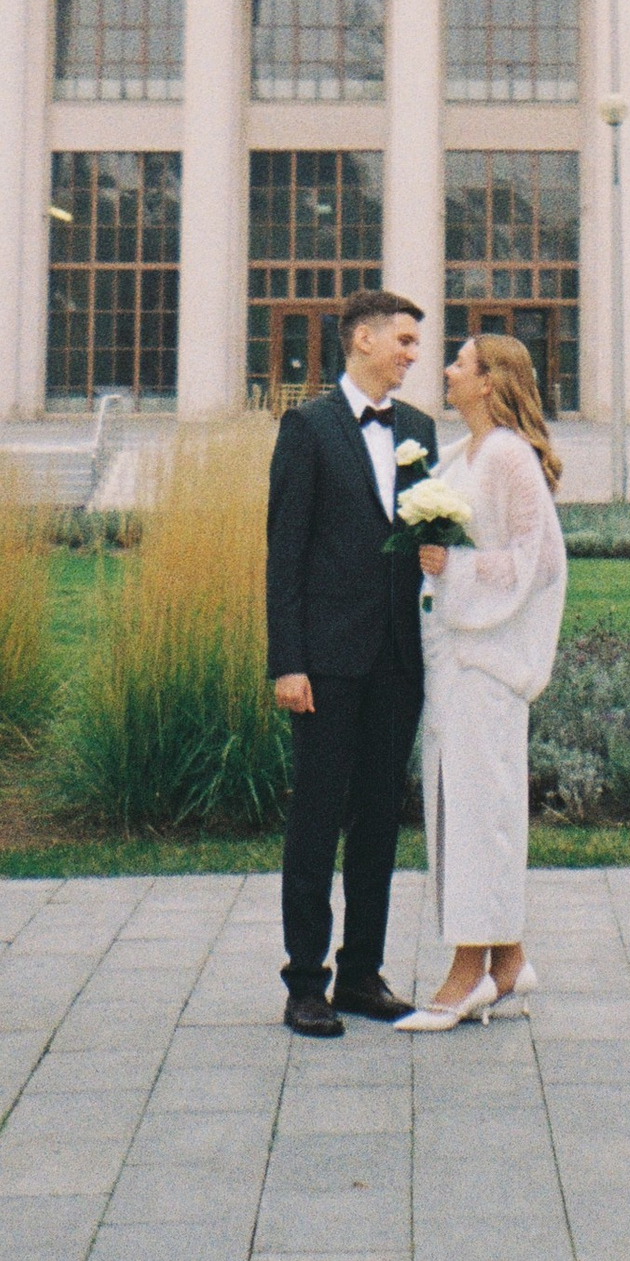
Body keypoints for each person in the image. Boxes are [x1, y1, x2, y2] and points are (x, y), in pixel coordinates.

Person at [265, 288, 437, 1038]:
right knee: (316, 819)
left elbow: (429, 529)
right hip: (326, 663)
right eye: (401, 339)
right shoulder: (307, 427)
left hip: (398, 659)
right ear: (361, 339)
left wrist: (439, 551)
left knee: (377, 825)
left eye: (415, 343)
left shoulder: (422, 429)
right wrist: (288, 661)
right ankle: (306, 982)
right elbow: (286, 554)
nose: (412, 353)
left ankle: (362, 972)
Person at [395, 328, 568, 1032]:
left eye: (460, 362)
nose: (446, 369)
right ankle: (508, 959)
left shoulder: (507, 456)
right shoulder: (464, 452)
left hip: (487, 663)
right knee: (461, 800)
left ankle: (467, 970)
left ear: (490, 380)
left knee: (478, 809)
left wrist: (454, 572)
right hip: (453, 658)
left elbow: (538, 560)